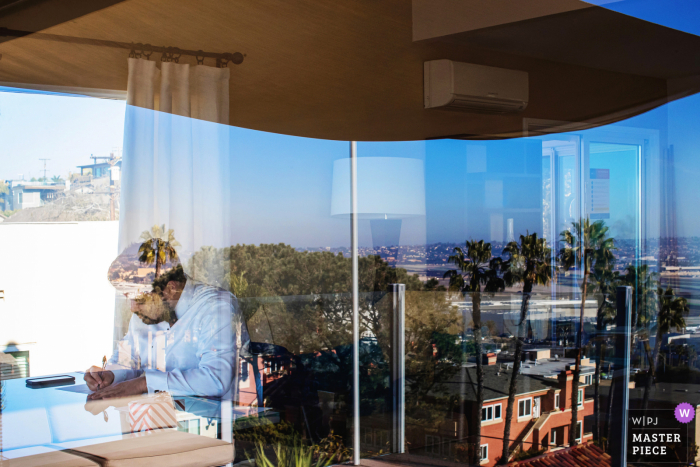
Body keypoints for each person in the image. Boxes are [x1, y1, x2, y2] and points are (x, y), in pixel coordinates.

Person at [85, 253, 249, 400]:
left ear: (171, 289)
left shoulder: (216, 308)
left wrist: (143, 383)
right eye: (128, 297)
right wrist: (110, 375)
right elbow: (129, 358)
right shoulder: (147, 312)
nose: (132, 307)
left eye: (139, 298)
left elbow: (216, 379)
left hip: (217, 425)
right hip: (158, 419)